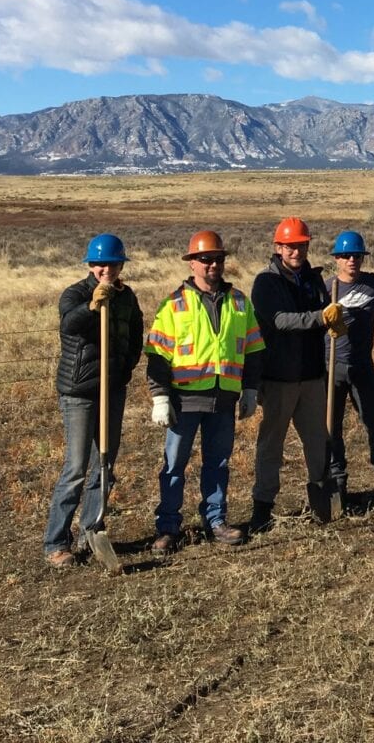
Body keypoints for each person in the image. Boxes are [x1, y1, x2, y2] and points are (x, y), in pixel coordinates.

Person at [144, 229, 264, 553]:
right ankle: (168, 527)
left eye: (218, 258)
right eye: (205, 259)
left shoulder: (240, 302)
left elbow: (253, 350)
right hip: (184, 400)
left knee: (218, 463)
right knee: (173, 466)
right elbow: (157, 355)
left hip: (224, 399)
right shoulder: (174, 305)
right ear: (192, 263)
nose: (213, 264)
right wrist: (160, 397)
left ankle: (216, 521)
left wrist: (250, 390)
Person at [42, 233, 143, 567]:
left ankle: (92, 529)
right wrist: (92, 306)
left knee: (105, 464)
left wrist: (124, 368)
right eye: (100, 264)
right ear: (90, 264)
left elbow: (135, 336)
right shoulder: (75, 293)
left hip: (112, 388)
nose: (106, 270)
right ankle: (56, 542)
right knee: (75, 468)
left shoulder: (127, 297)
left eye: (112, 264)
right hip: (80, 391)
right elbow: (69, 325)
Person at [248, 217, 343, 528]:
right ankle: (262, 507)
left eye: (301, 245)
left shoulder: (312, 279)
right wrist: (319, 318)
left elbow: (324, 317)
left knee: (318, 441)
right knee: (271, 445)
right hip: (277, 378)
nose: (297, 251)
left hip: (313, 376)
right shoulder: (265, 283)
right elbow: (280, 321)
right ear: (278, 247)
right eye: (290, 246)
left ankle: (322, 500)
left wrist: (339, 321)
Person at [322, 230, 374, 507]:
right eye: (345, 256)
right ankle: (337, 485)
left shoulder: (373, 284)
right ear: (337, 259)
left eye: (356, 256)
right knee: (331, 428)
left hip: (363, 366)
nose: (351, 261)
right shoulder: (325, 288)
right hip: (331, 366)